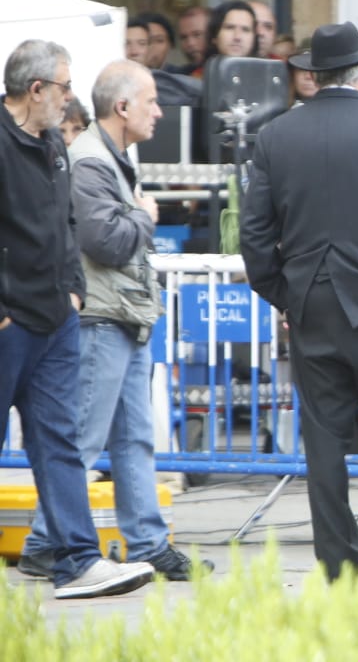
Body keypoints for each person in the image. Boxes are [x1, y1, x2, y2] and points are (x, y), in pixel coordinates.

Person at [240, 22, 358, 580]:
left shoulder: (275, 136)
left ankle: (337, 562)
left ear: (312, 75)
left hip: (312, 306)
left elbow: (254, 235)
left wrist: (285, 293)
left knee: (322, 439)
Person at [18, 60, 207, 582]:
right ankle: (45, 543)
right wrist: (144, 215)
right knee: (84, 439)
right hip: (102, 317)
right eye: (152, 101)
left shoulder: (110, 157)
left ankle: (145, 541)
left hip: (120, 315)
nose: (160, 112)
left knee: (130, 440)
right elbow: (106, 241)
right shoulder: (92, 161)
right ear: (122, 107)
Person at [1, 40, 155, 599]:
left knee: (60, 442)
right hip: (10, 324)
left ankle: (77, 561)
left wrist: (73, 293)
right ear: (36, 89)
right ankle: (74, 557)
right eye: (64, 87)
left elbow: (65, 225)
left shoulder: (52, 144)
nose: (70, 100)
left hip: (56, 320)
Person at [203, 0, 260, 66]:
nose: (237, 37)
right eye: (230, 28)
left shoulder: (266, 75)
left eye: (245, 30)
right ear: (214, 36)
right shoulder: (197, 75)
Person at [174, 5, 210, 75]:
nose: (190, 43)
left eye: (197, 34)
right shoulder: (179, 77)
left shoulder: (233, 70)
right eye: (183, 37)